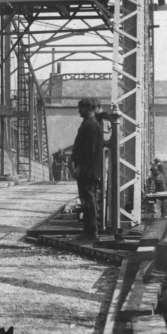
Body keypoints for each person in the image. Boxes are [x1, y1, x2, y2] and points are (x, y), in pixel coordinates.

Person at [70, 98, 104, 241]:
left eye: (81, 108)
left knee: (88, 200)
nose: (79, 110)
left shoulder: (91, 126)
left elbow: (89, 151)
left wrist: (79, 168)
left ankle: (91, 232)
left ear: (89, 108)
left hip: (88, 171)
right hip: (88, 170)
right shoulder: (89, 124)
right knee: (86, 200)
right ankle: (88, 231)